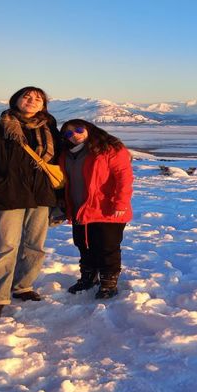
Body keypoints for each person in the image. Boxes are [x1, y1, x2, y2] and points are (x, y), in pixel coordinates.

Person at [0, 86, 60, 323]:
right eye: (27, 96)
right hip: (8, 196)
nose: (32, 101)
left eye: (38, 98)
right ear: (16, 100)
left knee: (35, 245)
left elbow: (60, 162)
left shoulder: (50, 129)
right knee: (6, 247)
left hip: (41, 195)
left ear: (43, 105)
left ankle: (23, 286)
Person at [59, 119, 134, 299]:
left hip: (106, 209)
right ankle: (89, 276)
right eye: (69, 134)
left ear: (89, 129)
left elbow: (124, 178)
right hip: (79, 208)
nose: (74, 135)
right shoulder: (66, 155)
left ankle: (108, 282)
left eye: (78, 129)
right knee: (83, 245)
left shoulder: (109, 149)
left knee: (107, 247)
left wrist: (121, 203)